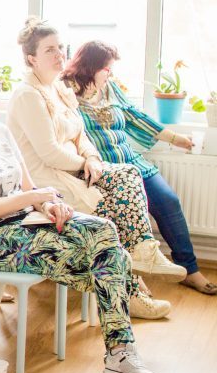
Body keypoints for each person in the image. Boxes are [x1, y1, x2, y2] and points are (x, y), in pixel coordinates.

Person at [0, 55, 161, 373]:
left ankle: (120, 359)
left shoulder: (1, 132)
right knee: (111, 263)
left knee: (105, 232)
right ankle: (120, 359)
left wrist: (50, 205)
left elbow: (30, 188)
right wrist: (32, 199)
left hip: (29, 221)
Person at [7, 18, 184, 319]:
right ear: (31, 58)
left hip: (75, 170)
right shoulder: (28, 95)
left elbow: (81, 135)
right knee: (115, 207)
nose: (59, 54)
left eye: (60, 47)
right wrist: (86, 165)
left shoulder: (58, 88)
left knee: (128, 174)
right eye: (50, 50)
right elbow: (49, 153)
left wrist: (91, 158)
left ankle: (142, 256)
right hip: (47, 180)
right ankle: (132, 288)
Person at [61, 40, 215, 295]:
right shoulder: (65, 91)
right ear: (90, 66)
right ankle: (132, 278)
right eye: (107, 69)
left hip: (131, 161)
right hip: (101, 169)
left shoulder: (109, 88)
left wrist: (176, 139)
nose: (110, 74)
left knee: (168, 201)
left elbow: (135, 116)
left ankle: (189, 269)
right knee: (124, 218)